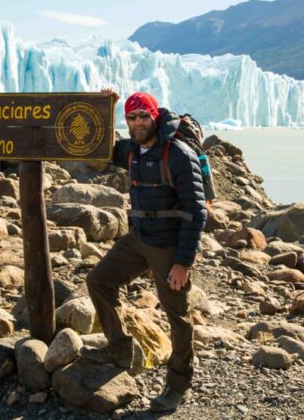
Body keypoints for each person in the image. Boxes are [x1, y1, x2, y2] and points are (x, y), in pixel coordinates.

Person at [81, 90, 208, 412]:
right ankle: (120, 349)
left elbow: (196, 210)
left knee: (177, 317)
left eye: (142, 116)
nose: (137, 123)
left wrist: (183, 263)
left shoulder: (177, 153)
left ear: (155, 116)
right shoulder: (131, 150)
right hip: (139, 238)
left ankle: (177, 385)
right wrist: (105, 108)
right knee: (99, 281)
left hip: (168, 245)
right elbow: (97, 149)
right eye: (131, 118)